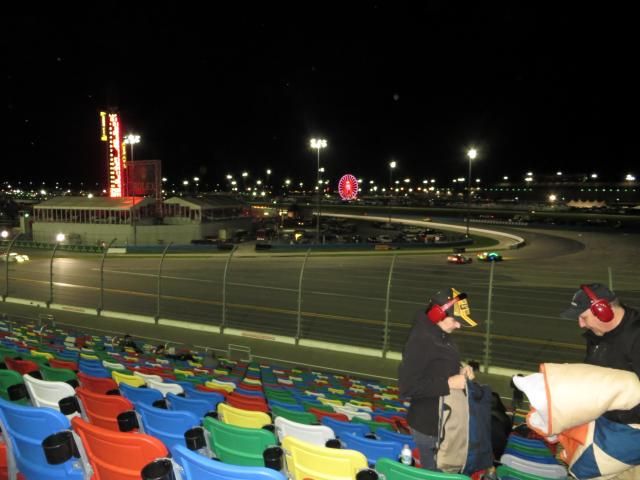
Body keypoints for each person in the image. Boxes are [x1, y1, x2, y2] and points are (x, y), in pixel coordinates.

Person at [398, 287, 478, 470]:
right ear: (437, 314)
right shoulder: (421, 340)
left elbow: (435, 364)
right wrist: (449, 383)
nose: (458, 326)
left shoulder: (439, 332)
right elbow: (408, 387)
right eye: (455, 320)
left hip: (441, 421)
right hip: (428, 428)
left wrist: (460, 369)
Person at [561, 283, 640, 424]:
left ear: (604, 312)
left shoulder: (636, 338)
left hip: (628, 426)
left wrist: (611, 414)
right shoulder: (598, 334)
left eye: (584, 317)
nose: (581, 324)